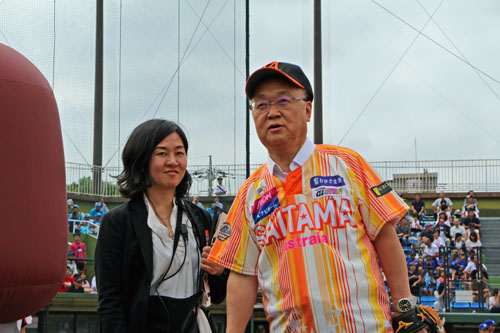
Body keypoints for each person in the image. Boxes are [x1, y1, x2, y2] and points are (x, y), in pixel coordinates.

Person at [208, 62, 433, 332]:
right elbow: (243, 274)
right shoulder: (250, 192)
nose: (272, 112)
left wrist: (405, 308)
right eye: (261, 105)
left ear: (307, 109)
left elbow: (385, 235)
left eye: (282, 100)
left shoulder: (347, 164)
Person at [95, 119, 227, 332]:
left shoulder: (200, 218)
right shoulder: (118, 222)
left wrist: (218, 272)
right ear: (142, 159)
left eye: (180, 153)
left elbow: (218, 295)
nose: (173, 161)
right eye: (162, 153)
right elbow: (110, 302)